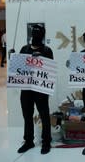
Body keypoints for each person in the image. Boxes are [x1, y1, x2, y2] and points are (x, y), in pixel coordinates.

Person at [17, 24, 54, 155]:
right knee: (27, 115)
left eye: (38, 33)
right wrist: (13, 58)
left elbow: (50, 70)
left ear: (42, 35)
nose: (35, 35)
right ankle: (28, 141)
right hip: (26, 88)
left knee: (44, 115)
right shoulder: (24, 48)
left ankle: (46, 141)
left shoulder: (47, 50)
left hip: (41, 89)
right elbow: (19, 68)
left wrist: (40, 59)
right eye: (34, 32)